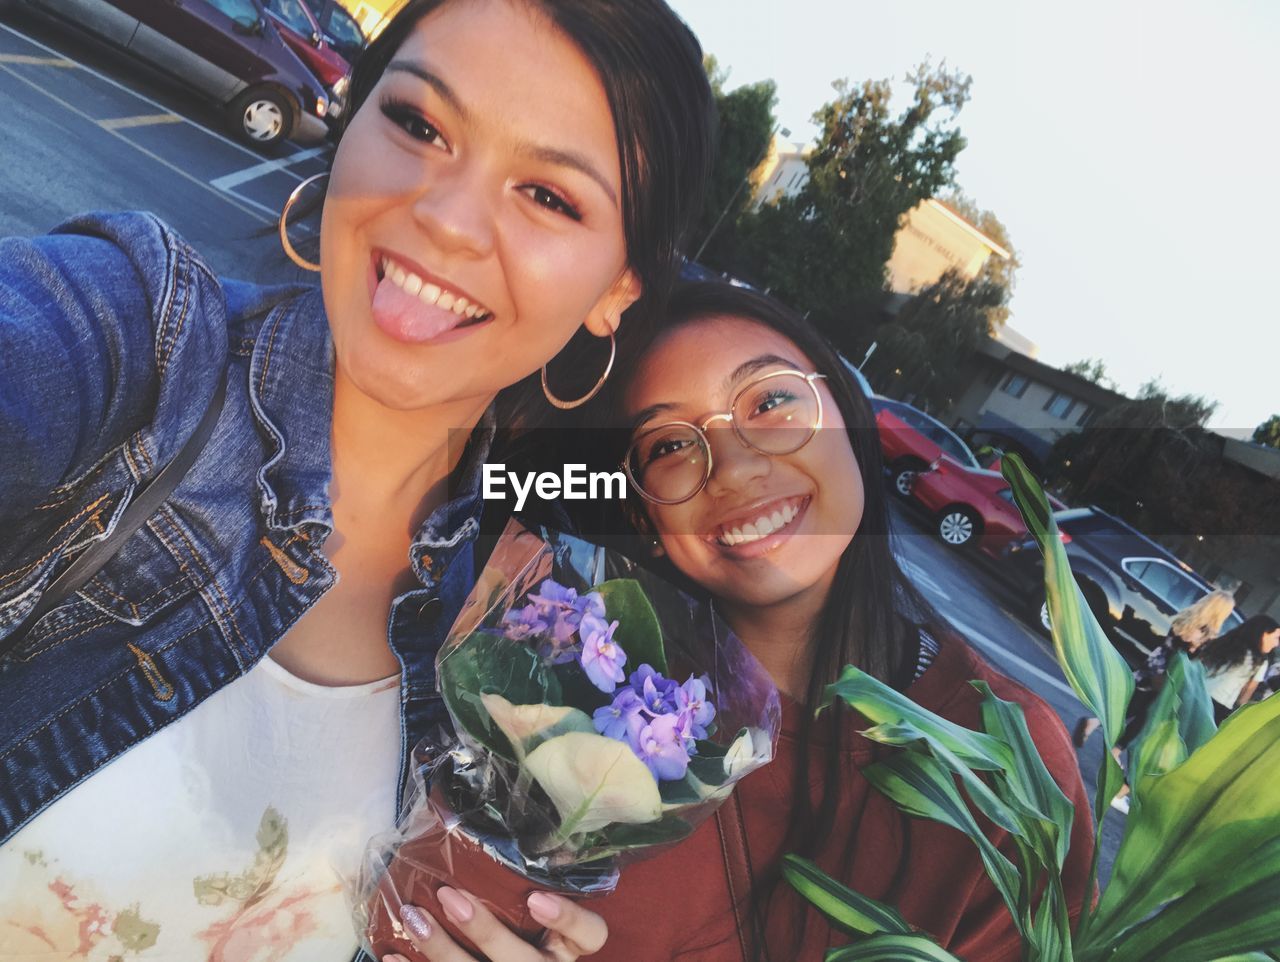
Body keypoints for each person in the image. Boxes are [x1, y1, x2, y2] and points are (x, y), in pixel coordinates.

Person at [0, 2, 713, 959]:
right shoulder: (139, 342)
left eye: (549, 196)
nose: (447, 219)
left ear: (619, 286)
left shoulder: (526, 633)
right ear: (349, 120)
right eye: (419, 124)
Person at [391, 283, 1096, 962]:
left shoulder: (1010, 760)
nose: (731, 467)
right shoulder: (564, 678)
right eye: (668, 445)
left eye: (771, 401)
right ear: (643, 513)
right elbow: (420, 900)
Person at [1073, 589, 1237, 750]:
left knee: (1131, 706)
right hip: (1170, 676)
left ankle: (1095, 725)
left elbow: (1171, 644)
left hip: (1155, 665)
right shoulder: (1206, 635)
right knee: (1146, 715)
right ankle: (1114, 747)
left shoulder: (1186, 618)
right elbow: (1189, 658)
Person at [1196, 614, 1280, 723]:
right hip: (1218, 705)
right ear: (1264, 634)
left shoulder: (1228, 642)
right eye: (1276, 638)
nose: (1276, 644)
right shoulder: (1259, 661)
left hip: (1197, 690)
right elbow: (1244, 696)